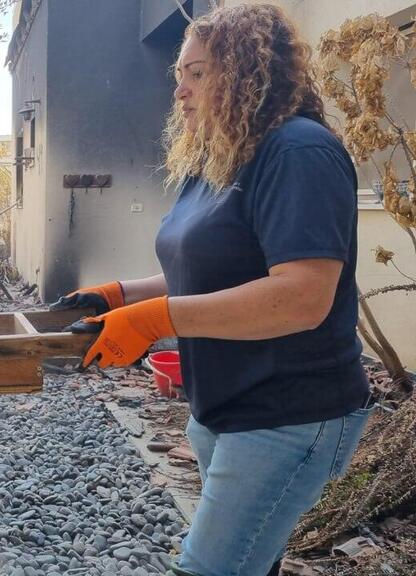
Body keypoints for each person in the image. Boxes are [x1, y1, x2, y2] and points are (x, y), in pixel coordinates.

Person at [53, 5, 372, 575]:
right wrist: (119, 295)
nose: (180, 90)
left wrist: (153, 321)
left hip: (288, 411)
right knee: (253, 559)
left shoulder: (300, 153)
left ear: (250, 71)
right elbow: (203, 272)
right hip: (220, 405)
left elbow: (302, 296)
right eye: (179, 74)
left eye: (198, 73)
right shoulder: (222, 156)